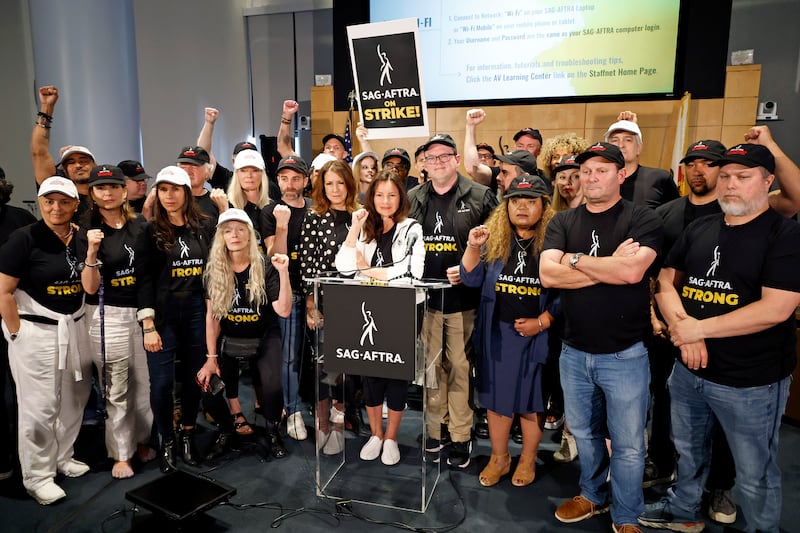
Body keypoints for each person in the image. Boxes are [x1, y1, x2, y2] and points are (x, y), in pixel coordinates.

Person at [639, 144, 800, 533]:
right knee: (688, 453)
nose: (731, 185)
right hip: (689, 370)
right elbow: (665, 281)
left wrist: (699, 329)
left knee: (753, 472)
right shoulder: (700, 227)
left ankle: (763, 528)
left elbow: (776, 309)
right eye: (725, 176)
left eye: (743, 177)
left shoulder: (785, 234)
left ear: (767, 181)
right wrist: (684, 330)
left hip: (751, 381)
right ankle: (684, 513)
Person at [540, 142, 662, 533]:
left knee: (628, 444)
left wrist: (573, 259)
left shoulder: (642, 218)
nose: (591, 177)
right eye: (586, 170)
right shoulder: (562, 222)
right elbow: (547, 275)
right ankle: (592, 495)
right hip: (573, 351)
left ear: (621, 175)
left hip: (624, 353)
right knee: (585, 435)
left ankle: (626, 515)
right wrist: (609, 263)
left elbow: (632, 274)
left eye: (602, 170)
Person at [408, 133, 499, 469]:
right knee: (432, 370)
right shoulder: (413, 197)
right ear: (423, 165)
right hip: (426, 300)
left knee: (460, 370)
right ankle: (435, 430)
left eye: (444, 156)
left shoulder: (480, 196)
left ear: (457, 160)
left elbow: (497, 242)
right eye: (431, 158)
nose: (438, 162)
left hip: (463, 301)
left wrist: (472, 268)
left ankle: (461, 435)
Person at [460, 176, 557, 487]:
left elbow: (567, 295)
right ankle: (499, 458)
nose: (522, 207)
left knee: (531, 404)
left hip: (537, 336)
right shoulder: (495, 238)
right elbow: (470, 279)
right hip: (498, 334)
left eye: (530, 201)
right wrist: (473, 248)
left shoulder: (555, 241)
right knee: (497, 400)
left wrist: (541, 322)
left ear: (544, 206)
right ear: (506, 206)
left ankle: (527, 459)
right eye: (515, 201)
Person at [0, 177, 91, 505]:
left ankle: (62, 457)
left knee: (74, 398)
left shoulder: (79, 238)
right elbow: (4, 292)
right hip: (36, 331)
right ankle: (37, 476)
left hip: (75, 326)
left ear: (74, 204)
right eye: (49, 201)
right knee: (39, 407)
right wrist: (16, 334)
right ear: (40, 202)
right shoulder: (23, 239)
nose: (56, 208)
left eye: (63, 201)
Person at [335, 170, 425, 465]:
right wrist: (353, 229)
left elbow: (413, 272)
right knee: (371, 376)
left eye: (392, 195)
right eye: (379, 195)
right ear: (371, 197)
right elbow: (345, 268)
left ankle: (392, 437)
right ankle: (375, 433)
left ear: (401, 197)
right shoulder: (365, 227)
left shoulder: (412, 228)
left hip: (402, 309)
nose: (385, 201)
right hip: (368, 307)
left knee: (397, 377)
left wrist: (370, 270)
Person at [137, 166, 216, 473]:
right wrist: (148, 325)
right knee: (162, 384)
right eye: (163, 189)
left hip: (197, 312)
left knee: (196, 379)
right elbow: (143, 279)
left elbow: (211, 271)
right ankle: (166, 439)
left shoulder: (202, 226)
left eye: (175, 189)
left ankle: (187, 434)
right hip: (164, 317)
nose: (169, 196)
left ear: (187, 192)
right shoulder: (149, 229)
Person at [77, 164, 154, 479]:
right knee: (117, 387)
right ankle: (121, 453)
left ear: (124, 191)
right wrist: (92, 251)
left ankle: (143, 440)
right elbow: (90, 287)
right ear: (93, 194)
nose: (106, 193)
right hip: (107, 317)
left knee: (144, 385)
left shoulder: (141, 228)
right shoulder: (86, 231)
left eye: (112, 187)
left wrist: (148, 320)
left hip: (140, 315)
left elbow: (147, 276)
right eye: (99, 188)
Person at [201, 209, 292, 459]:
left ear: (250, 235)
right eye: (228, 230)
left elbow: (283, 311)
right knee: (209, 383)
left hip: (264, 334)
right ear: (221, 236)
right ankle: (230, 422)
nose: (235, 235)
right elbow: (212, 317)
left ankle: (273, 430)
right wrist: (211, 358)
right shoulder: (214, 270)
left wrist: (284, 273)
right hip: (230, 336)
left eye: (241, 229)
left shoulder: (264, 265)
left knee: (273, 385)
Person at [298, 159, 360, 454]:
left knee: (347, 366)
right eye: (329, 183)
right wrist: (311, 305)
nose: (335, 189)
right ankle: (322, 421)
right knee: (324, 366)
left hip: (356, 302)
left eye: (340, 182)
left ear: (349, 184)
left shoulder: (362, 215)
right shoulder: (314, 217)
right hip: (323, 301)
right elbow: (308, 267)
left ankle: (339, 418)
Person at [260, 155, 311, 441]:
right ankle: (292, 411)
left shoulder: (316, 209)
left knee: (313, 356)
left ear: (305, 181)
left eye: (295, 178)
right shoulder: (270, 211)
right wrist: (282, 225)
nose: (289, 184)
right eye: (283, 178)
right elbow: (274, 255)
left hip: (314, 292)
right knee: (289, 357)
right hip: (286, 293)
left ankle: (318, 405)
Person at [0, 172, 37, 480]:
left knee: (20, 394)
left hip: (16, 316)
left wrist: (17, 330)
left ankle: (22, 458)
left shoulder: (20, 218)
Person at [30, 86, 95, 219]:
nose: (78, 165)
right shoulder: (57, 190)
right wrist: (46, 108)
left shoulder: (106, 194)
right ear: (64, 169)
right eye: (71, 162)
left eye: (83, 160)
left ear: (95, 165)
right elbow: (39, 151)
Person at [196, 107, 280, 200]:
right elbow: (204, 153)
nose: (249, 175)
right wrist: (209, 123)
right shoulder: (226, 179)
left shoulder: (269, 187)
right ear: (233, 161)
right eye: (242, 157)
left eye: (254, 169)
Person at [604, 117, 678, 209]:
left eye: (628, 140)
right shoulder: (599, 180)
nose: (620, 145)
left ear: (639, 148)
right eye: (615, 140)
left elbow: (675, 213)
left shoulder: (659, 178)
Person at [226, 149, 272, 227]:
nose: (249, 175)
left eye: (255, 171)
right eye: (243, 171)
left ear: (262, 174)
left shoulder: (272, 208)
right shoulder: (228, 206)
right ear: (237, 174)